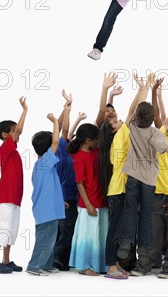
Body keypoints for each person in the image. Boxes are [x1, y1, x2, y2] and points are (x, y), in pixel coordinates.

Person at [116, 78, 168, 276]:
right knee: (152, 229)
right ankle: (145, 264)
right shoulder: (159, 134)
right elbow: (155, 116)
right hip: (154, 191)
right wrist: (154, 91)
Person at [99, 72, 153, 280]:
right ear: (113, 130)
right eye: (115, 122)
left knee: (119, 231)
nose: (119, 120)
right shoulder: (121, 135)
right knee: (115, 232)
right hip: (120, 191)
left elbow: (132, 113)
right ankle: (111, 267)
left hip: (118, 190)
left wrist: (143, 89)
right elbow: (134, 111)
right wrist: (144, 87)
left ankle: (115, 264)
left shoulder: (117, 138)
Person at [0, 97, 28, 274]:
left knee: (11, 228)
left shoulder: (12, 151)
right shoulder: (6, 147)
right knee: (2, 226)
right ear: (6, 135)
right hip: (6, 196)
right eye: (13, 132)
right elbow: (20, 130)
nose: (17, 134)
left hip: (15, 196)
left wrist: (1, 178)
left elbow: (8, 169)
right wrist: (24, 110)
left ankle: (6, 260)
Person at [26, 114, 65, 275]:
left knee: (50, 238)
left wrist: (60, 201)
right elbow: (56, 141)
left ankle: (46, 264)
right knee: (45, 239)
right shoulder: (45, 162)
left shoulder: (42, 164)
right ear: (48, 149)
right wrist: (55, 121)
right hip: (46, 210)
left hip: (50, 207)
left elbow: (48, 188)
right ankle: (34, 266)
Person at [68, 123, 108, 276]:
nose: (99, 141)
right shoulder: (79, 157)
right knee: (87, 235)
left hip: (102, 200)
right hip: (88, 203)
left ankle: (99, 264)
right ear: (88, 140)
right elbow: (80, 183)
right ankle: (84, 266)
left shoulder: (97, 152)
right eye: (96, 138)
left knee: (101, 234)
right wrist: (88, 204)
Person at [52, 90, 84, 271]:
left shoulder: (77, 153)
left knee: (66, 229)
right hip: (65, 197)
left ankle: (61, 258)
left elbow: (68, 132)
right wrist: (67, 108)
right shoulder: (61, 150)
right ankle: (56, 258)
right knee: (65, 229)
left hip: (74, 197)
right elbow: (64, 129)